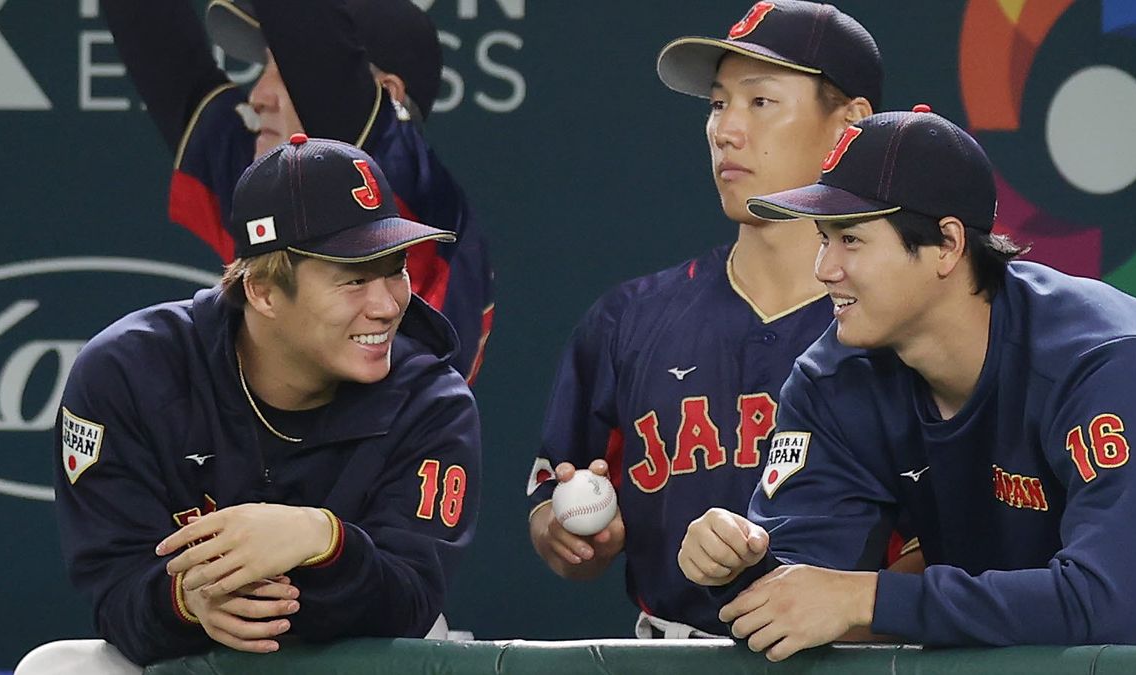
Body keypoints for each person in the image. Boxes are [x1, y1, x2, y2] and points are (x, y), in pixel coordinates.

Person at [677, 108, 1136, 660]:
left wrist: (868, 598)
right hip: (1022, 625)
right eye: (823, 239)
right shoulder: (833, 378)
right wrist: (739, 567)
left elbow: (1106, 606)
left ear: (947, 245)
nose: (825, 269)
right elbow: (800, 594)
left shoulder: (1107, 361)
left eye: (850, 239)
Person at [46, 135, 481, 669]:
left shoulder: (430, 399)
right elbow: (114, 591)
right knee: (60, 666)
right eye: (354, 280)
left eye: (395, 269)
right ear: (264, 292)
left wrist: (321, 539)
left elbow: (413, 603)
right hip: (186, 657)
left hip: (354, 656)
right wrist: (187, 601)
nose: (388, 304)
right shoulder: (129, 372)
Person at [526, 1, 887, 638]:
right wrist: (571, 535)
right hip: (671, 651)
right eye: (718, 104)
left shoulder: (901, 327)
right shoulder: (628, 321)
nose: (725, 130)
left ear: (848, 125)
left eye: (760, 101)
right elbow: (552, 512)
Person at [100, 0, 494, 383]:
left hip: (391, 444)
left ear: (386, 97)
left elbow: (304, 25)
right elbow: (157, 41)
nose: (257, 95)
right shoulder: (275, 185)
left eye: (283, 68)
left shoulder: (405, 191)